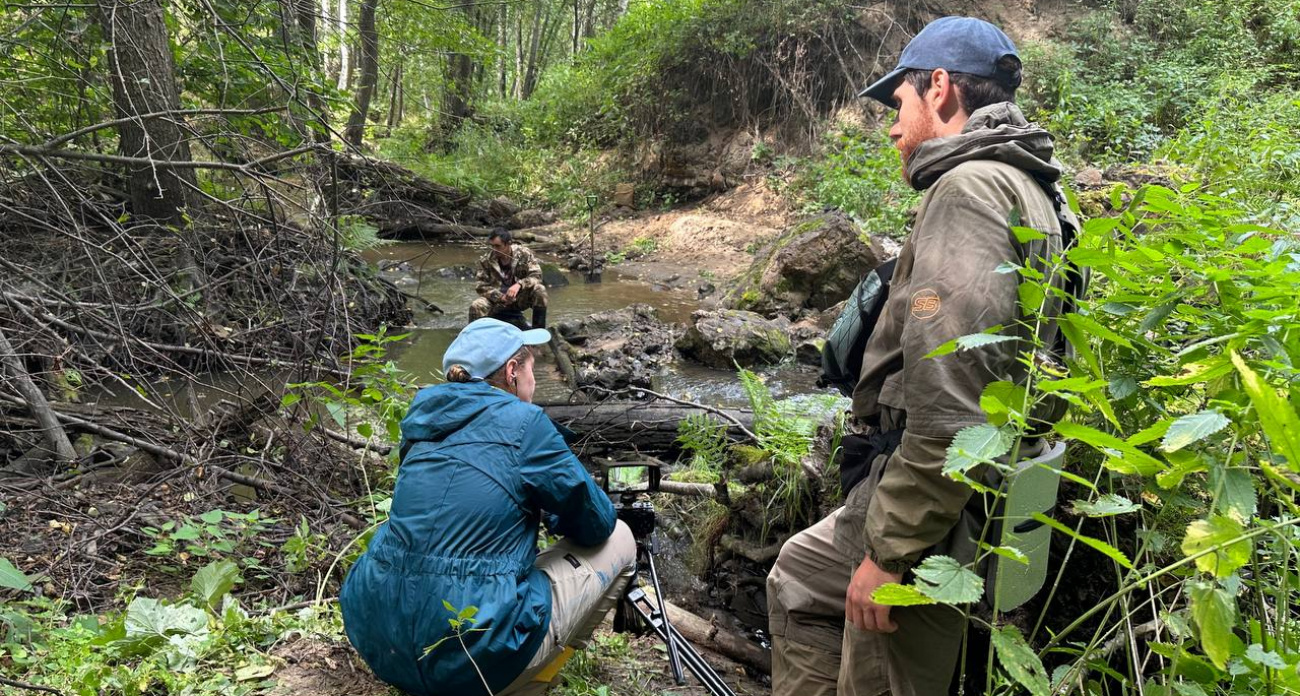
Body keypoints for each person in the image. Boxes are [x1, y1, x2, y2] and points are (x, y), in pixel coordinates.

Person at [766, 16, 1076, 696]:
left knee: (883, 673)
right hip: (969, 496)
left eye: (898, 105)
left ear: (940, 90)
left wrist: (891, 551)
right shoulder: (1035, 188)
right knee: (798, 575)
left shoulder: (967, 191)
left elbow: (952, 393)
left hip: (933, 513)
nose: (891, 126)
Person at [340, 318, 635, 696]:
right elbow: (596, 523)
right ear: (512, 372)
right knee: (622, 538)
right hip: (473, 658)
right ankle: (528, 683)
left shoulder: (420, 422)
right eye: (531, 366)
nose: (534, 376)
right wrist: (555, 511)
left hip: (383, 641)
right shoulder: (525, 423)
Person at [471, 228, 549, 329]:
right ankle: (476, 337)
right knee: (476, 305)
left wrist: (519, 285)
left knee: (540, 290)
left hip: (519, 298)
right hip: (497, 301)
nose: (494, 249)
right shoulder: (486, 260)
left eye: (498, 246)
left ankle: (538, 332)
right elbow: (480, 286)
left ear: (509, 243)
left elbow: (537, 275)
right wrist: (500, 297)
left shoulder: (523, 254)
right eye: (492, 246)